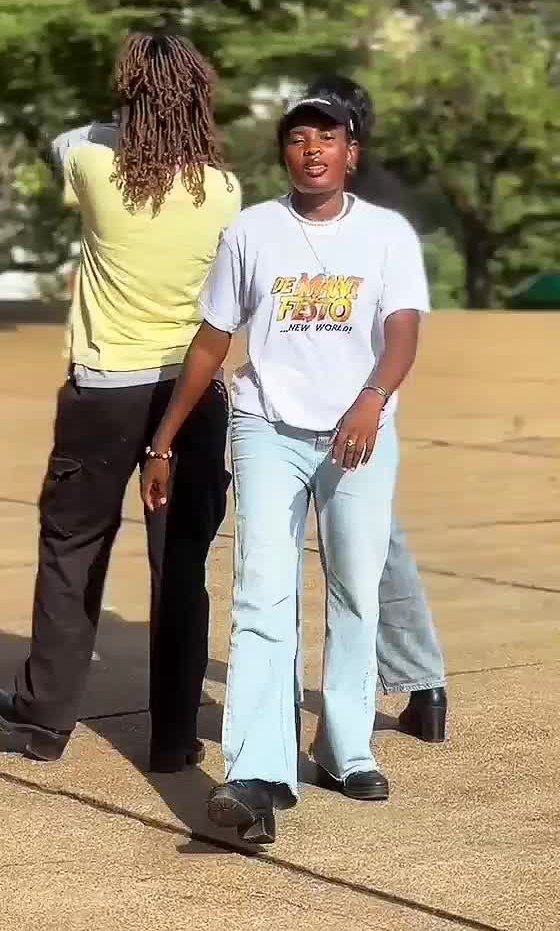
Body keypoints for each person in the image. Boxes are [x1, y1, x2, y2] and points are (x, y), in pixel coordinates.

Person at [142, 87, 433, 844]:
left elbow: (403, 331)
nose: (313, 150)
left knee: (355, 590)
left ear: (351, 154)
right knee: (262, 593)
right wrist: (164, 439)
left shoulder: (387, 235)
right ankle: (257, 772)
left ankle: (345, 749)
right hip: (266, 427)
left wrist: (371, 400)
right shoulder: (252, 231)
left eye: (327, 138)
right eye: (299, 138)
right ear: (284, 153)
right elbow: (213, 337)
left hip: (360, 432)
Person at [0, 32, 241, 772]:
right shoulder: (225, 189)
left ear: (129, 97)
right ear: (200, 101)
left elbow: (66, 140)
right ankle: (173, 739)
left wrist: (130, 114)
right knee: (180, 564)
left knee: (73, 549)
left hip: (104, 389)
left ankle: (45, 719)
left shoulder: (94, 163)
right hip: (191, 393)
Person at [306, 76, 447, 743]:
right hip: (360, 393)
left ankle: (419, 682)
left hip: (352, 399)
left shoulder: (360, 208)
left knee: (369, 548)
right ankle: (423, 685)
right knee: (378, 541)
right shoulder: (382, 200)